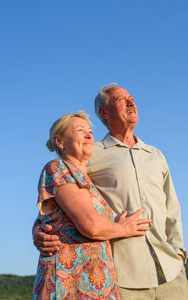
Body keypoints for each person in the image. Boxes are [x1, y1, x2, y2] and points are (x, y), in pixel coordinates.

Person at [34, 84, 188, 299]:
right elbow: (58, 200)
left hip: (171, 271)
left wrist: (179, 253)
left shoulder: (156, 155)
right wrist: (39, 229)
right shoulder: (88, 154)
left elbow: (172, 207)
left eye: (132, 98)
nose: (131, 102)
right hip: (124, 278)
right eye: (121, 99)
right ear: (104, 113)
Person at [33, 111, 151, 299]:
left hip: (97, 282)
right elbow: (92, 226)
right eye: (80, 130)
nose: (89, 135)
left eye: (90, 131)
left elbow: (51, 217)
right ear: (60, 141)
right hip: (69, 282)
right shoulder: (57, 168)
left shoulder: (88, 181)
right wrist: (123, 228)